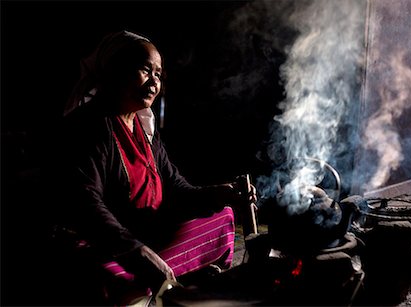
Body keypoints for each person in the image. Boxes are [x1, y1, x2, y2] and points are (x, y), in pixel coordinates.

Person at [52, 30, 257, 305]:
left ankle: (157, 283)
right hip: (103, 243)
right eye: (146, 70)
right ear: (115, 71)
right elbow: (86, 207)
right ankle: (157, 282)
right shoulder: (90, 126)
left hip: (144, 235)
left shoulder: (143, 128)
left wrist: (217, 194)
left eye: (159, 74)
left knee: (221, 217)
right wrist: (138, 253)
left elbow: (176, 189)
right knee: (100, 278)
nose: (154, 81)